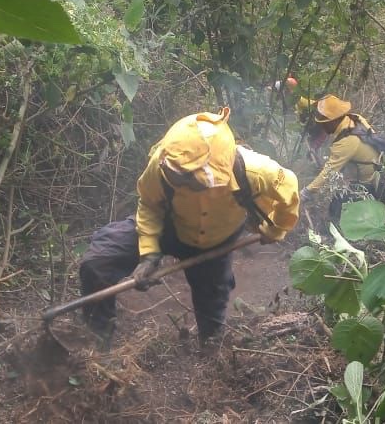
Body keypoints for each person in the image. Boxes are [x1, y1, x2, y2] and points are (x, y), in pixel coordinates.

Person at [78, 108, 300, 349]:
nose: (182, 182)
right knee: (99, 261)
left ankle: (210, 355)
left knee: (212, 317)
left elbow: (289, 190)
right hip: (169, 226)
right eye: (179, 175)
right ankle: (96, 346)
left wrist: (276, 228)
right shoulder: (162, 162)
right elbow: (150, 205)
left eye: (191, 178)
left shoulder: (257, 171)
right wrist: (149, 253)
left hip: (217, 240)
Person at [298, 94, 385, 221]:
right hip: (377, 172)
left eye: (325, 122)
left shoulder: (347, 142)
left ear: (334, 120)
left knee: (336, 210)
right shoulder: (354, 118)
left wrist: (306, 192)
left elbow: (329, 172)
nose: (322, 126)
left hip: (368, 185)